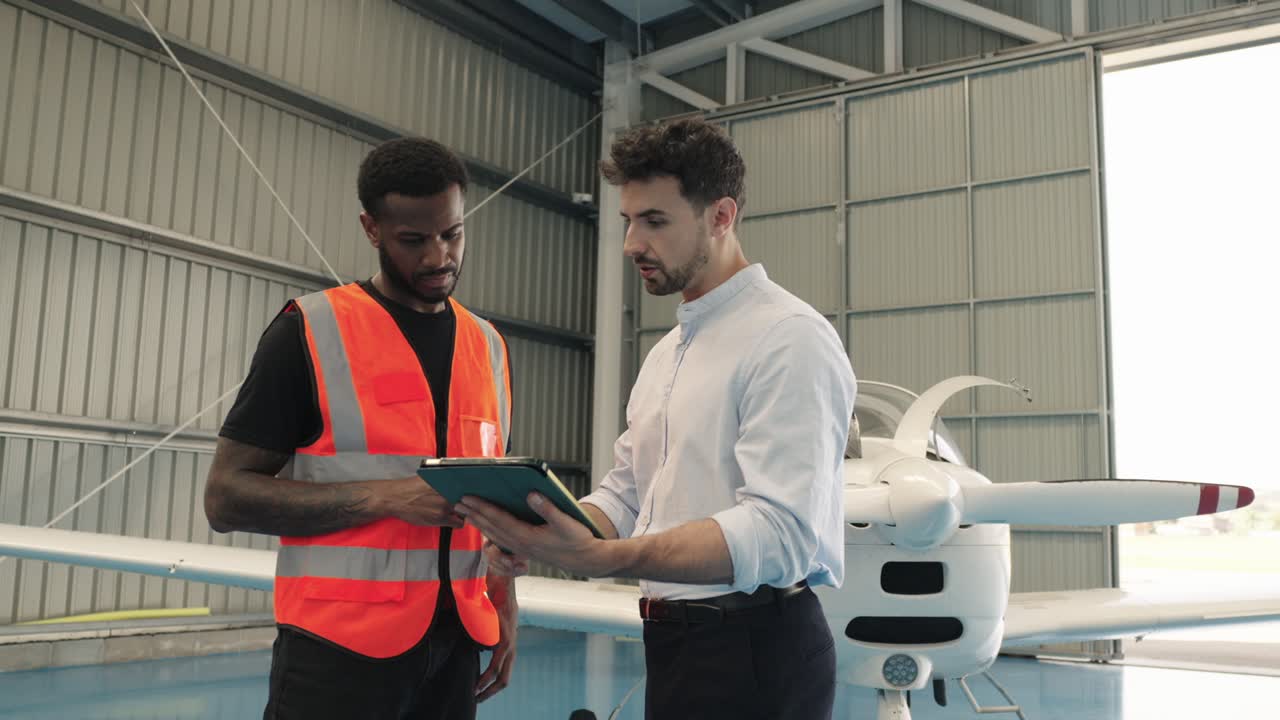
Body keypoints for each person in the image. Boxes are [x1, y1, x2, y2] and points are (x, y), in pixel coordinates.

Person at [459, 118, 856, 720]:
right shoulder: (667, 354)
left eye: (654, 221)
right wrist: (538, 528)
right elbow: (625, 495)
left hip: (758, 652)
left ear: (720, 216)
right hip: (677, 645)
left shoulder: (790, 339)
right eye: (628, 220)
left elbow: (781, 532)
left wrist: (606, 558)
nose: (631, 244)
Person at [204, 137, 518, 720]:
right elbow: (224, 499)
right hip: (336, 652)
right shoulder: (309, 331)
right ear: (372, 229)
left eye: (452, 234)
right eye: (413, 240)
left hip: (455, 648)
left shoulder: (489, 347)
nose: (439, 257)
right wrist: (387, 498)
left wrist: (504, 597)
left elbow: (489, 502)